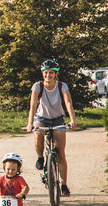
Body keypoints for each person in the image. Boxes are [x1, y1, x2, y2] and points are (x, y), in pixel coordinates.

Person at [27, 59, 78, 196]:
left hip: (57, 119)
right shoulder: (38, 86)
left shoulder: (62, 86)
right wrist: (30, 123)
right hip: (41, 118)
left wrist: (72, 120)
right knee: (37, 134)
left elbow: (68, 103)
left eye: (51, 73)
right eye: (45, 73)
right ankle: (40, 157)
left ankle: (64, 184)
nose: (48, 75)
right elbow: (32, 106)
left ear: (56, 74)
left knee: (60, 153)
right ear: (42, 74)